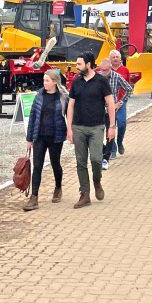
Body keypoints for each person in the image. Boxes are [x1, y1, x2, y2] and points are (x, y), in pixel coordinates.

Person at [66, 52, 116, 208]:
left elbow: (111, 103)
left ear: (88, 64)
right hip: (78, 127)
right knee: (80, 162)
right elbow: (71, 105)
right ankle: (85, 194)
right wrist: (69, 128)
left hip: (96, 127)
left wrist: (112, 127)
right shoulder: (76, 82)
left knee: (95, 159)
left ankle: (97, 181)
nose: (77, 66)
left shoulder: (101, 81)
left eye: (79, 64)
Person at [23, 70, 68, 211]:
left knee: (55, 163)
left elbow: (70, 115)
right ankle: (34, 197)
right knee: (37, 166)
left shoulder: (63, 97)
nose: (44, 83)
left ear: (55, 82)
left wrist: (72, 132)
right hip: (40, 136)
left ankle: (58, 187)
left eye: (47, 80)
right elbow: (32, 117)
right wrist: (29, 138)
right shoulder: (39, 96)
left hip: (56, 136)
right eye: (44, 80)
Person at [100, 55, 134, 169]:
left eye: (105, 70)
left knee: (114, 128)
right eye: (101, 70)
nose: (103, 72)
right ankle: (108, 149)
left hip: (112, 108)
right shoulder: (97, 77)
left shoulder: (117, 76)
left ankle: (110, 152)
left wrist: (120, 102)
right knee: (97, 132)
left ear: (110, 68)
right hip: (99, 109)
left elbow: (129, 89)